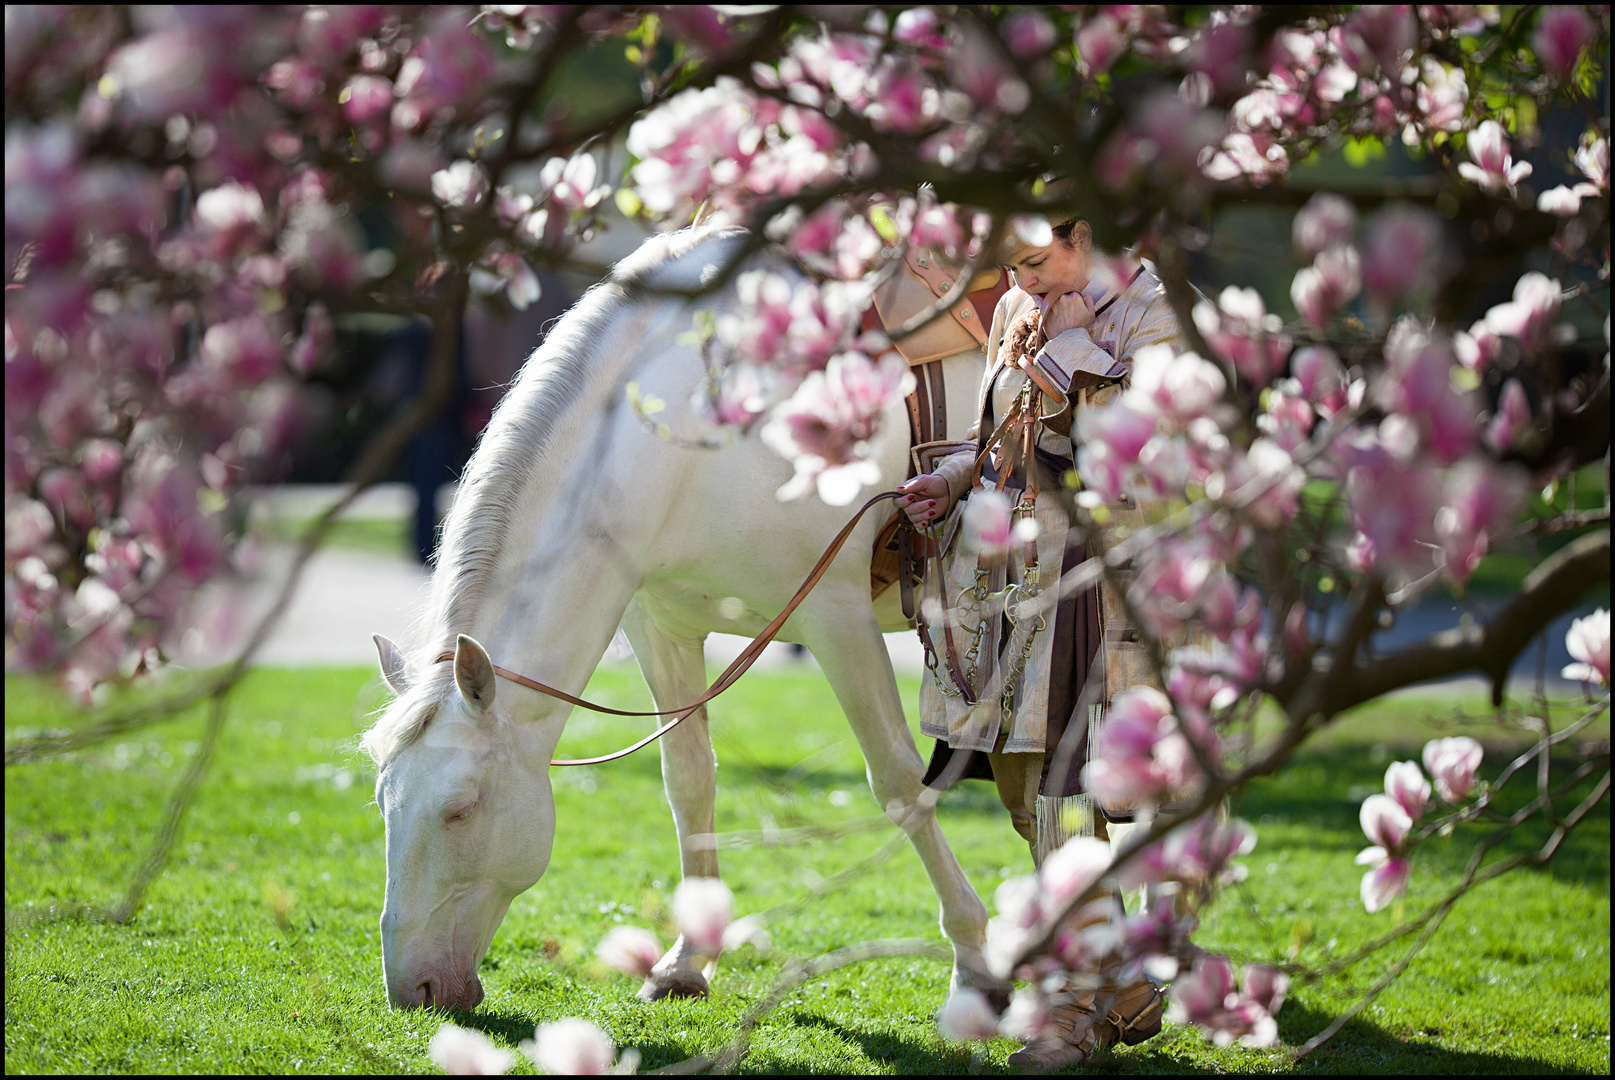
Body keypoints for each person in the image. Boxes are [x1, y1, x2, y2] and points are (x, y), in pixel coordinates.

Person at [895, 216, 1184, 1069]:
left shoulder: (1152, 313)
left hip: (1094, 589)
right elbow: (1001, 442)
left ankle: (1071, 1011)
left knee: (1068, 794)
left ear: (1084, 233)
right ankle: (1121, 979)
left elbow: (1127, 458)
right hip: (1007, 588)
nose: (1023, 282)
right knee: (1026, 794)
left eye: (1035, 261)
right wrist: (948, 482)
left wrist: (1067, 356)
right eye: (1012, 268)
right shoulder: (1018, 305)